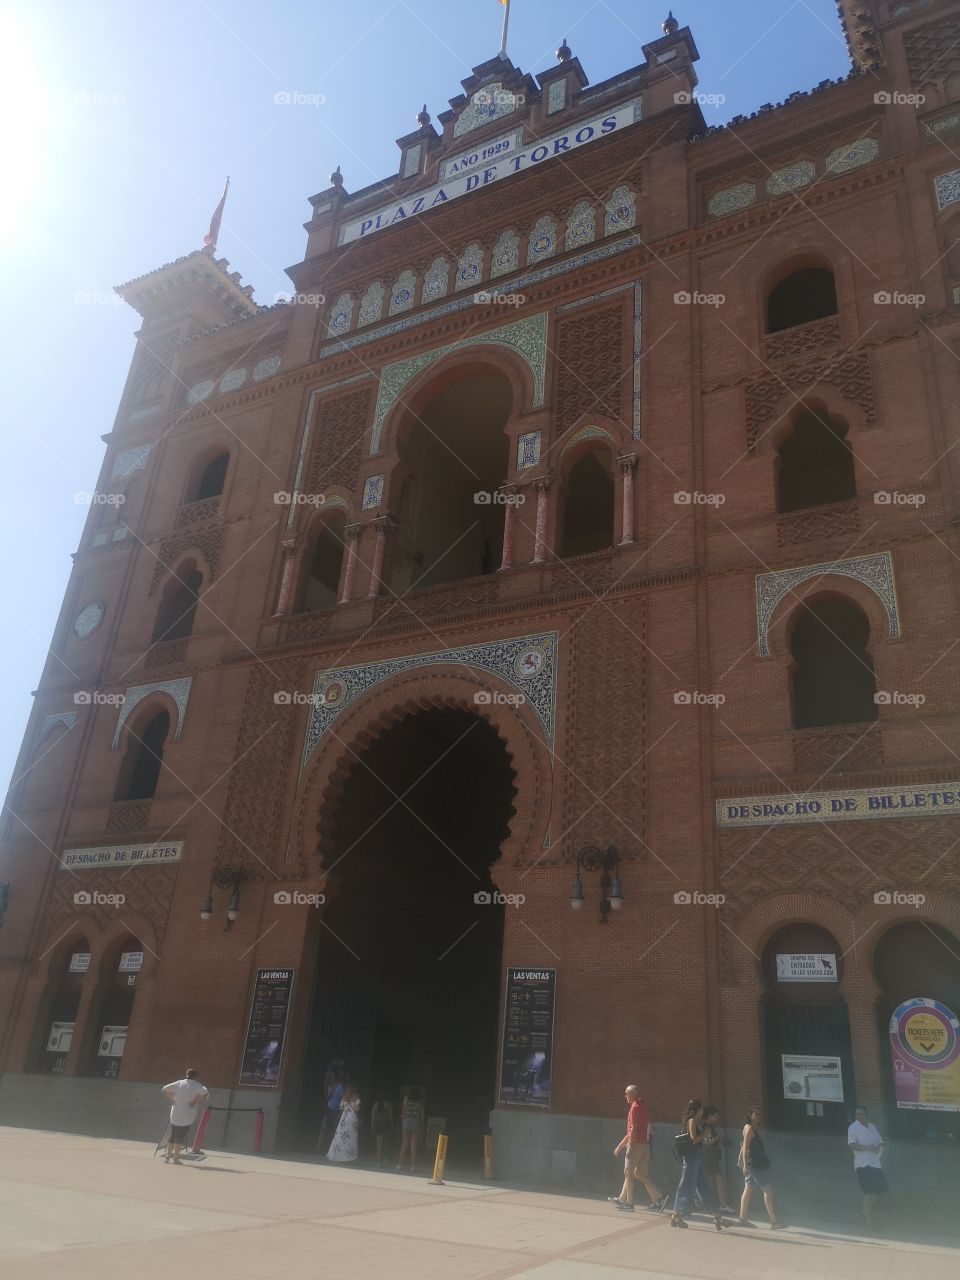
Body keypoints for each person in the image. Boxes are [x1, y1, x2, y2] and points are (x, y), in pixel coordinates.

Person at [670, 1099, 729, 1230]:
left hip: (698, 1158)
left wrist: (706, 1137)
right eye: (701, 1109)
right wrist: (704, 1134)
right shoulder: (691, 1121)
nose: (703, 1111)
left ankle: (717, 1215)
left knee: (705, 1187)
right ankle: (677, 1215)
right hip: (691, 1158)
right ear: (697, 1110)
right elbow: (693, 1139)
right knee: (686, 1186)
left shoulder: (697, 1122)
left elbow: (700, 1141)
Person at [609, 1084, 668, 1212]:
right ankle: (658, 1199)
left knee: (628, 1173)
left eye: (627, 1094)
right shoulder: (644, 1108)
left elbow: (633, 1128)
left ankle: (629, 1204)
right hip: (645, 1145)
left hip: (636, 1144)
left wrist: (630, 1144)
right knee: (640, 1174)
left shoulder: (634, 1108)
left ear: (632, 1094)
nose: (625, 1096)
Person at [737, 1106, 786, 1229]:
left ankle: (742, 1218)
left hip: (754, 1164)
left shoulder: (752, 1128)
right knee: (768, 1191)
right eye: (756, 1114)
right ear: (750, 1116)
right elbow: (745, 1148)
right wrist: (745, 1165)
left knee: (748, 1190)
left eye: (759, 1114)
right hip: (755, 1164)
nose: (758, 1116)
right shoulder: (749, 1129)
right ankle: (773, 1221)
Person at [847, 1104, 889, 1231]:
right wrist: (868, 1148)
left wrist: (879, 1148)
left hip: (875, 1163)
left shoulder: (872, 1126)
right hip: (862, 1165)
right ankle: (869, 1224)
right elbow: (852, 1144)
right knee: (868, 1192)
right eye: (857, 1114)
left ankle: (864, 1212)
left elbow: (880, 1142)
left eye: (861, 1114)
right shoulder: (853, 1128)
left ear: (866, 1114)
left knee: (879, 1191)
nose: (859, 1116)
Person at [160, 1068, 208, 1165]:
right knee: (180, 1136)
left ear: (186, 1074)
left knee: (173, 1135)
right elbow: (205, 1092)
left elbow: (164, 1089)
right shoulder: (197, 1085)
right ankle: (176, 1159)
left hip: (175, 1113)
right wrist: (195, 1102)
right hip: (187, 1114)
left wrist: (172, 1099)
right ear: (195, 1076)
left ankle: (167, 1157)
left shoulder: (179, 1083)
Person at [701, 1105, 733, 1213]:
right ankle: (723, 1205)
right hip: (710, 1156)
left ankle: (710, 1204)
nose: (716, 1119)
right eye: (715, 1116)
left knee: (712, 1181)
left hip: (711, 1156)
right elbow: (706, 1142)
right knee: (718, 1180)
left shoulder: (709, 1127)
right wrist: (718, 1136)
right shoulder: (706, 1127)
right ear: (709, 1116)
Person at [327, 1079, 361, 1163]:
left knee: (340, 1137)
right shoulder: (356, 1096)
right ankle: (349, 1157)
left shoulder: (344, 1096)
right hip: (352, 1119)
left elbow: (341, 1108)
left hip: (344, 1119)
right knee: (351, 1138)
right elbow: (357, 1109)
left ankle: (338, 1154)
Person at [319, 1062, 346, 1152]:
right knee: (324, 1127)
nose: (331, 1078)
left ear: (336, 1077)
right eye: (330, 1077)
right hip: (328, 1109)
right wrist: (330, 1091)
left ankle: (335, 1148)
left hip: (335, 1111)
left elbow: (343, 1099)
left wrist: (340, 1111)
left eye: (333, 1076)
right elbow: (328, 1098)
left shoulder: (340, 1086)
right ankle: (319, 1147)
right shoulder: (331, 1086)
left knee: (335, 1129)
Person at [396, 1086, 423, 1172]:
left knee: (404, 1144)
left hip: (407, 1122)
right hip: (415, 1122)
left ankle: (399, 1164)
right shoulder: (419, 1103)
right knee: (413, 1145)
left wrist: (402, 1122)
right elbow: (422, 1114)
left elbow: (403, 1113)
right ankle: (412, 1166)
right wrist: (421, 1124)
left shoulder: (406, 1101)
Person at [370, 1094, 394, 1167]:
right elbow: (391, 1115)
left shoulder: (375, 1104)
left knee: (379, 1143)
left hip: (378, 1124)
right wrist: (392, 1125)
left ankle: (378, 1161)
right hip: (386, 1124)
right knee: (386, 1141)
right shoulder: (388, 1104)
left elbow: (372, 1116)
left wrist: (372, 1126)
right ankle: (386, 1157)